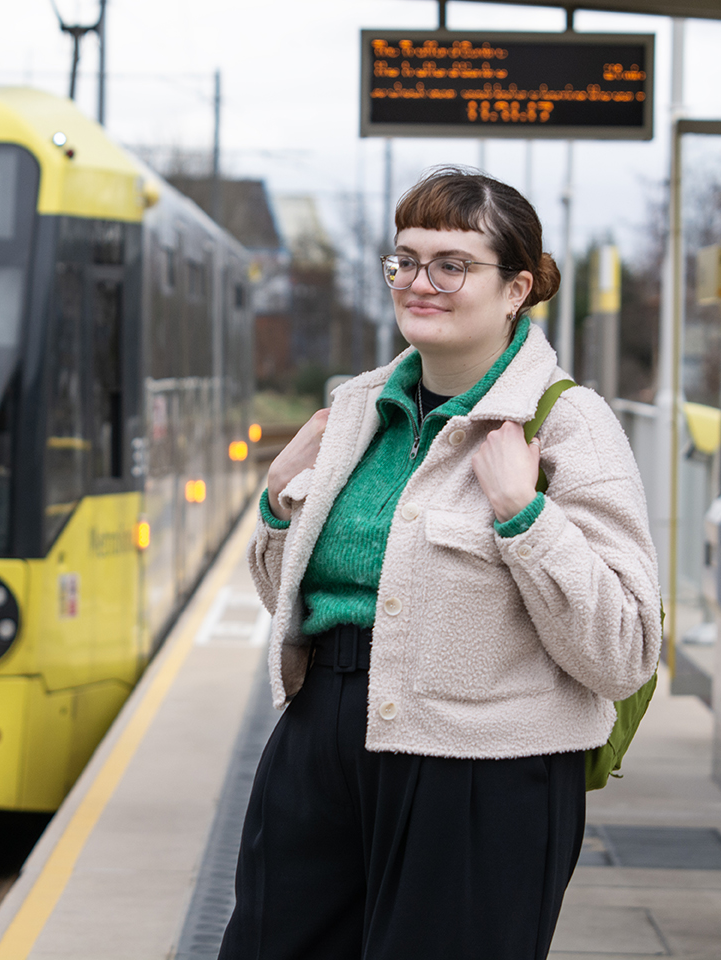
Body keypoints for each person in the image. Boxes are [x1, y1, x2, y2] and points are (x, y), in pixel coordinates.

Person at [217, 167, 660, 960]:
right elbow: (288, 598)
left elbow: (625, 649)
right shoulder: (356, 410)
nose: (420, 282)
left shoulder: (568, 425)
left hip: (482, 775)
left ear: (515, 287)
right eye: (405, 261)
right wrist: (280, 504)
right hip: (320, 742)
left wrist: (526, 518)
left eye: (452, 264)